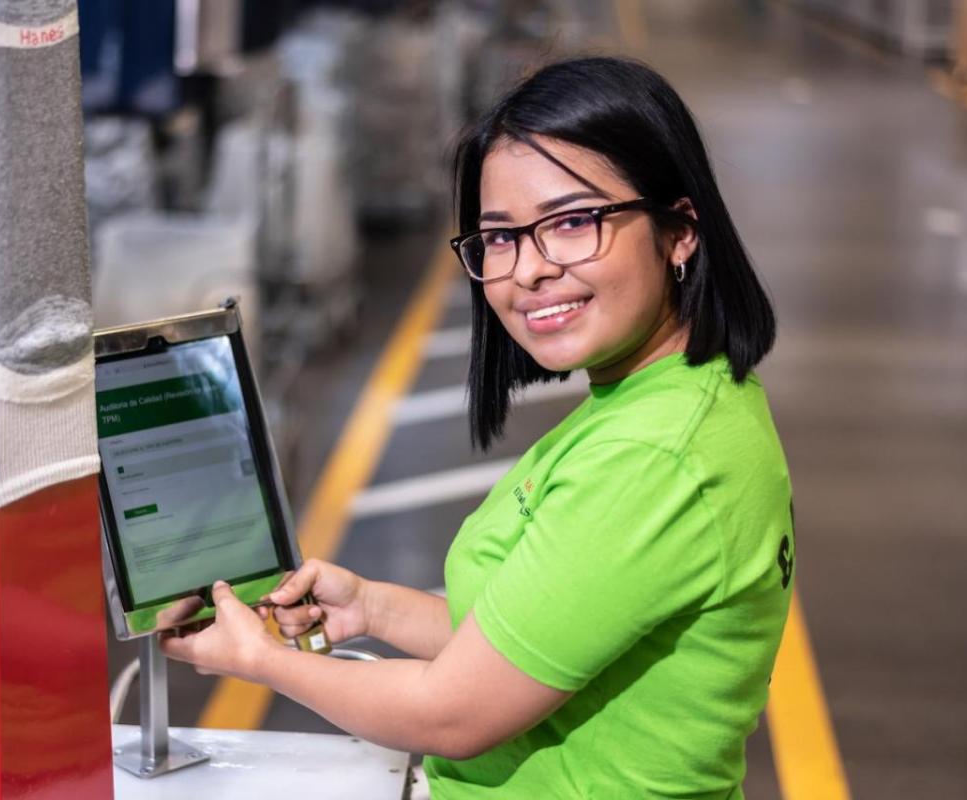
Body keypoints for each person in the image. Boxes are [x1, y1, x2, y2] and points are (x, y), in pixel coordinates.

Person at [161, 56, 795, 799]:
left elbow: (453, 714)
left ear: (679, 231)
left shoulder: (657, 457)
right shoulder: (667, 400)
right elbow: (537, 638)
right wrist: (371, 607)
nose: (527, 270)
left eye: (572, 222)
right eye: (500, 237)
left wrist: (260, 660)